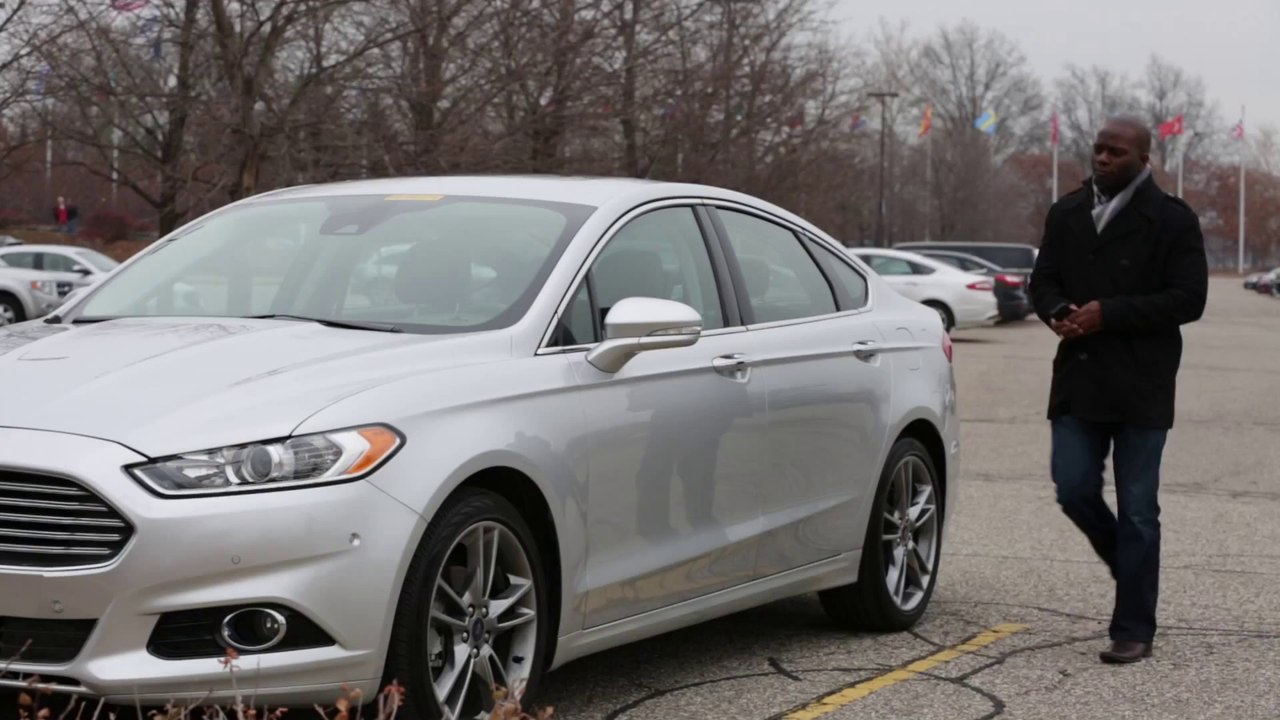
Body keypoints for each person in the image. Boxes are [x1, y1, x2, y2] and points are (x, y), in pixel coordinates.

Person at [1028, 116, 1208, 664]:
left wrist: (1111, 313)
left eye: (1117, 152)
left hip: (1142, 383)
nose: (1103, 159)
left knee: (1137, 511)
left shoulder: (1171, 219)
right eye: (1099, 150)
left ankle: (1134, 626)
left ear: (1143, 159)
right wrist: (1056, 310)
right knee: (1073, 488)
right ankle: (1128, 565)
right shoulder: (1067, 212)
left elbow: (1189, 299)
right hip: (1080, 378)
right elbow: (1044, 280)